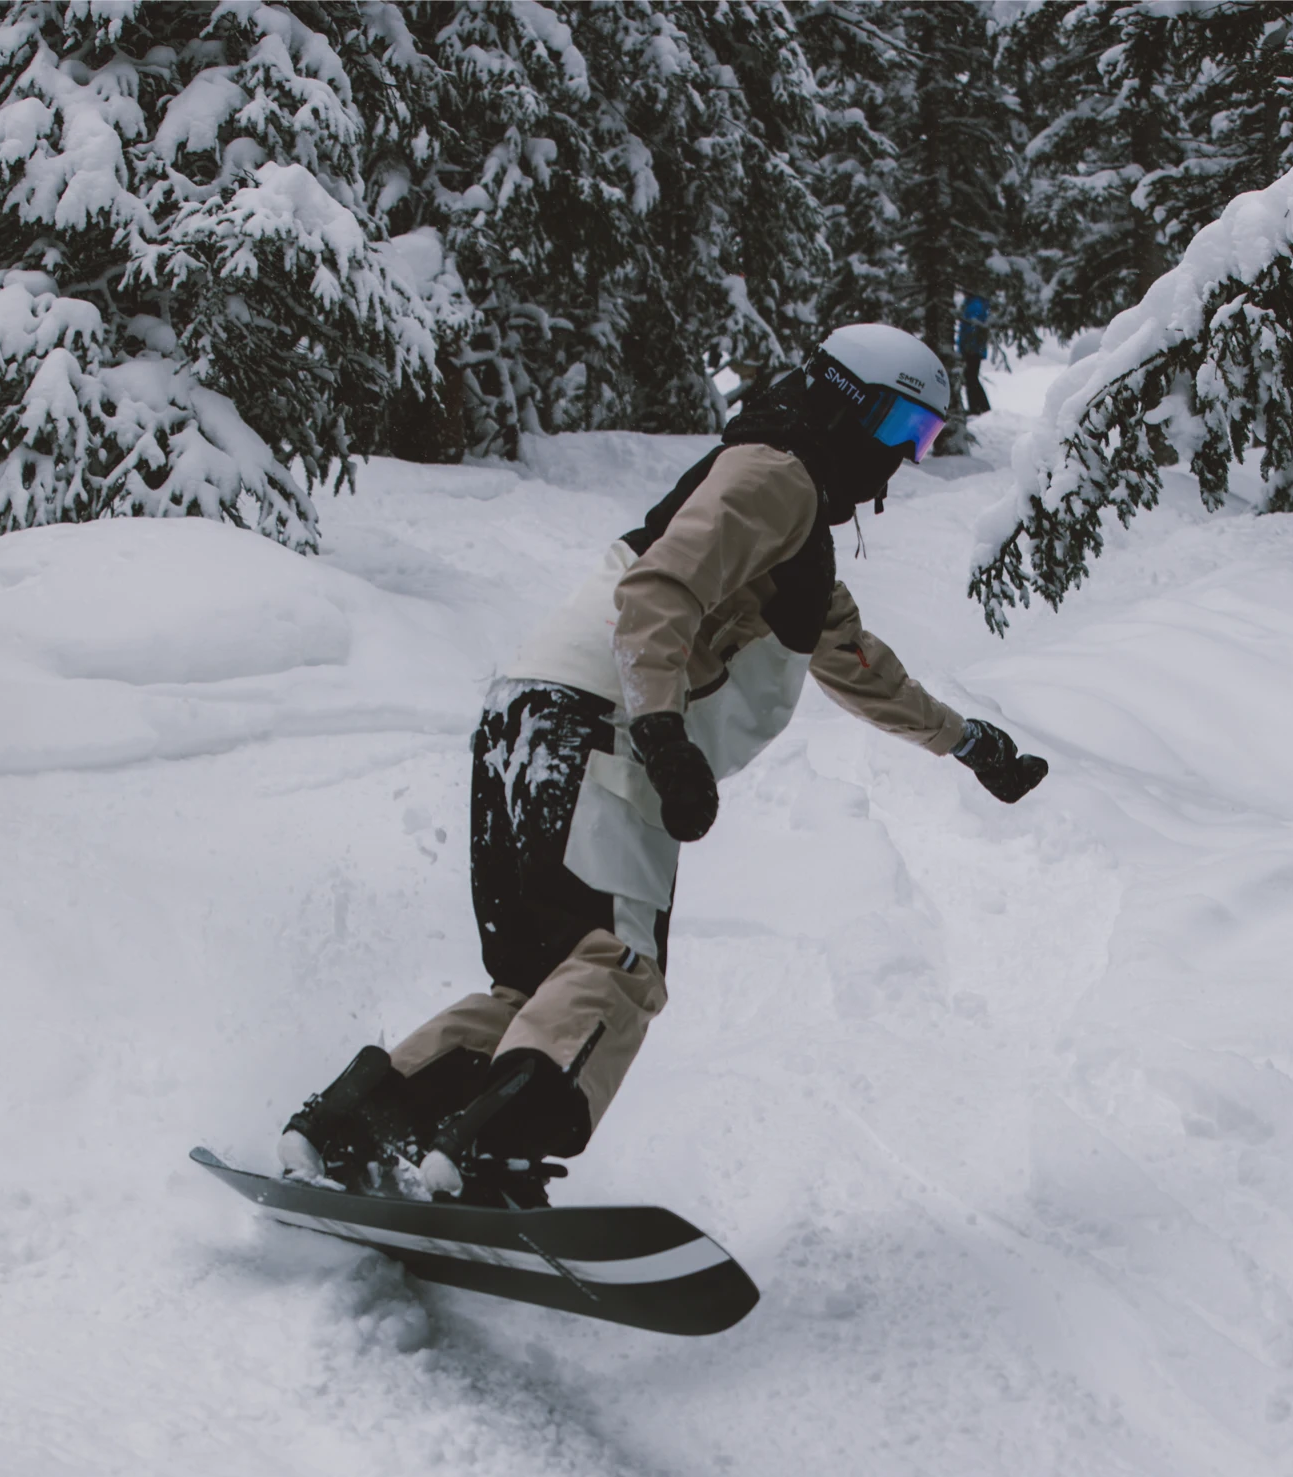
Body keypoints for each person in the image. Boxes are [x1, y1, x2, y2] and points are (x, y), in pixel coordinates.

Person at [280, 324, 1048, 1208]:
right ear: (849, 405)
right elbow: (657, 591)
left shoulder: (786, 517)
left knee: (546, 988)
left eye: (923, 442)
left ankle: (351, 1132)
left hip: (526, 721)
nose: (904, 461)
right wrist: (662, 733)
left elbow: (856, 662)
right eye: (900, 432)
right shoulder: (775, 476)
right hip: (601, 728)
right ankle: (493, 1158)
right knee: (619, 965)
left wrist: (966, 742)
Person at [957, 295, 991, 416]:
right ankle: (981, 407)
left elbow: (973, 327)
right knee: (971, 377)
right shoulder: (976, 303)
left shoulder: (974, 304)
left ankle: (978, 408)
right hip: (974, 348)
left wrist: (967, 347)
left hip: (972, 348)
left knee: (970, 377)